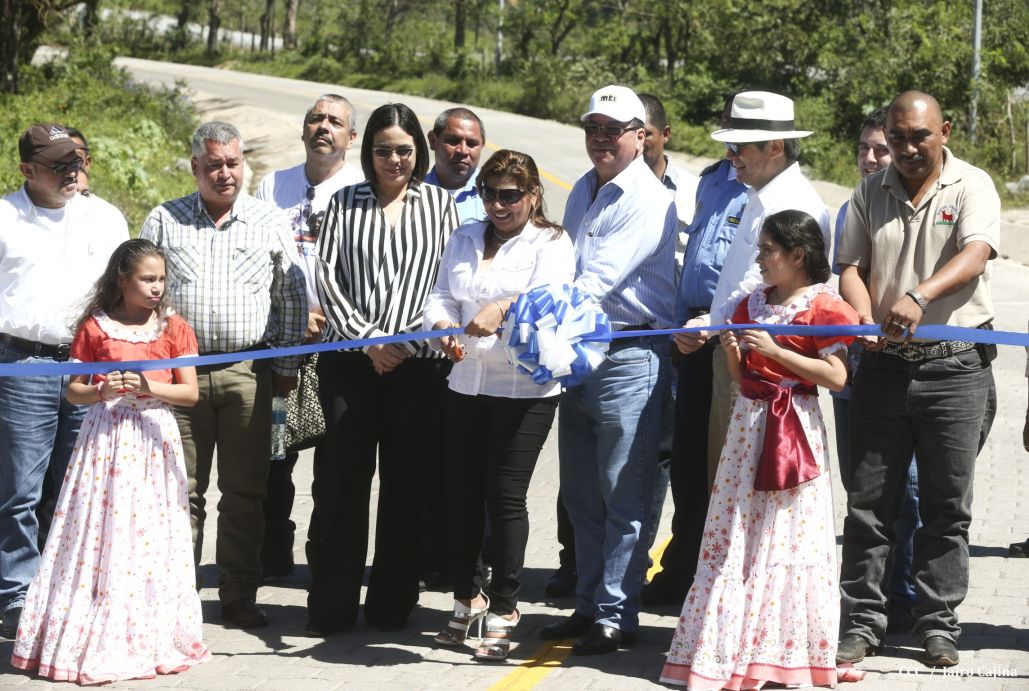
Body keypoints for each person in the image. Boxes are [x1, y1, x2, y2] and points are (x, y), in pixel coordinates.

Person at [660, 209, 858, 689]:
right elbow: (741, 377)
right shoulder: (753, 303)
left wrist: (776, 351)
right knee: (739, 531)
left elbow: (836, 377)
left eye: (768, 249)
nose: (761, 258)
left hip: (794, 430)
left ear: (797, 255)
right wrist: (734, 350)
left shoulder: (824, 307)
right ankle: (729, 647)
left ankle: (783, 654)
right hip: (748, 428)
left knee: (788, 534)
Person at [836, 91, 999, 668]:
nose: (906, 149)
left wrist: (919, 296)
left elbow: (976, 254)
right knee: (869, 505)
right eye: (898, 137)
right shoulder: (867, 191)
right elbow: (850, 267)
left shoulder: (972, 185)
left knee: (945, 506)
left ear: (945, 131)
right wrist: (860, 316)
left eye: (919, 137)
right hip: (881, 369)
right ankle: (862, 621)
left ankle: (937, 624)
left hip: (954, 368)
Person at [10, 239, 210, 684]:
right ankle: (91, 626)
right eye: (147, 279)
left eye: (161, 279)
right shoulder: (95, 328)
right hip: (106, 440)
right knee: (101, 531)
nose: (157, 287)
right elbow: (73, 390)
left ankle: (151, 631)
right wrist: (102, 391)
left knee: (151, 532)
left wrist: (147, 387)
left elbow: (190, 393)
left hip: (155, 438)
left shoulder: (174, 328)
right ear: (122, 280)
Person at [139, 121, 308, 629]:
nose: (224, 173)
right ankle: (176, 597)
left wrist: (284, 367)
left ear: (244, 164)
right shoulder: (164, 220)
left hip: (247, 373)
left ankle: (237, 594)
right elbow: (139, 296)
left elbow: (292, 296)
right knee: (177, 492)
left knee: (244, 494)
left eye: (232, 163)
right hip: (180, 378)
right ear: (195, 167)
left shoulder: (267, 220)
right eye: (213, 164)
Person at [306, 103, 458, 635]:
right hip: (351, 363)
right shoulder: (343, 203)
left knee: (406, 486)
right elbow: (326, 277)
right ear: (366, 151)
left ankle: (393, 605)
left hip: (419, 367)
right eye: (382, 150)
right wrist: (369, 340)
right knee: (343, 485)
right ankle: (331, 606)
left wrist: (409, 338)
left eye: (403, 150)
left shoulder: (442, 206)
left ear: (419, 152)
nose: (393, 160)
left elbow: (449, 282)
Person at [539, 85, 676, 655]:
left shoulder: (648, 197)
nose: (600, 138)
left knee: (626, 493)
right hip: (579, 354)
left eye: (613, 129)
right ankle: (591, 603)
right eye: (592, 127)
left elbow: (596, 282)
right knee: (581, 494)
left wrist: (532, 320)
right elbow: (563, 264)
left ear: (641, 136)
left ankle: (619, 613)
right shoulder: (584, 191)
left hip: (628, 355)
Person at [424, 149, 575, 660]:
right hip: (467, 380)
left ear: (532, 195)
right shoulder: (465, 236)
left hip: (524, 388)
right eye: (489, 194)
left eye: (509, 195)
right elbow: (441, 295)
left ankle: (507, 606)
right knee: (459, 495)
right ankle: (468, 597)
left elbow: (553, 299)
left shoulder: (551, 242)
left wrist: (505, 306)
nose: (497, 205)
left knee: (503, 496)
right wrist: (442, 327)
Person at [0, 123, 128, 640]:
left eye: (76, 160)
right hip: (21, 364)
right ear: (28, 170)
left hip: (86, 364)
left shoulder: (104, 216)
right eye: (58, 165)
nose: (72, 171)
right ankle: (16, 593)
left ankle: (70, 588)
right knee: (20, 490)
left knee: (79, 485)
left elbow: (125, 294)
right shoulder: (6, 217)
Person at [675, 91, 829, 500]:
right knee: (725, 484)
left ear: (775, 146)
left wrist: (708, 324)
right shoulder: (761, 196)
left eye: (738, 146)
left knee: (742, 493)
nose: (730, 155)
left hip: (763, 369)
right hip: (741, 355)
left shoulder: (791, 205)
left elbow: (755, 286)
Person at [643, 94, 749, 607]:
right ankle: (682, 564)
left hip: (734, 339)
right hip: (690, 339)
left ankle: (716, 574)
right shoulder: (712, 180)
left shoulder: (769, 191)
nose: (730, 139)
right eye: (726, 124)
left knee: (723, 468)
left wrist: (714, 322)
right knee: (686, 463)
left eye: (739, 131)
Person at [255, 93, 363, 579]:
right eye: (315, 119)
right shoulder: (271, 185)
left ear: (351, 137)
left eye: (335, 121)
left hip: (340, 349)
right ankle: (274, 547)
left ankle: (325, 554)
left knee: (334, 460)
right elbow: (256, 263)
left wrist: (327, 313)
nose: (324, 127)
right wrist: (292, 316)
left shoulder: (363, 188)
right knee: (276, 451)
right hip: (284, 348)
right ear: (303, 131)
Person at [831, 107, 920, 632]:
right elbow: (843, 278)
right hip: (857, 373)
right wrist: (860, 324)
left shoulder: (916, 208)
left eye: (880, 150)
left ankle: (905, 594)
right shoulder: (851, 209)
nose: (869, 159)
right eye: (863, 149)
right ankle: (868, 599)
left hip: (912, 374)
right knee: (862, 488)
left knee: (907, 492)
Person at [426, 107, 487, 223]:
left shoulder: (499, 198)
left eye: (471, 144)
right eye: (453, 141)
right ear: (433, 140)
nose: (463, 151)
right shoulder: (409, 193)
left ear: (482, 145)